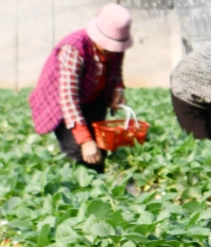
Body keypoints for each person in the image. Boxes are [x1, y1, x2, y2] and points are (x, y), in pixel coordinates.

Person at [29, 3, 133, 173]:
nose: (113, 51)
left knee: (99, 147)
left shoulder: (116, 46)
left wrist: (117, 89)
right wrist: (85, 140)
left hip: (94, 98)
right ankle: (78, 185)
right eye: (109, 47)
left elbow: (116, 70)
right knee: (78, 152)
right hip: (62, 101)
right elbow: (68, 98)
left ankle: (98, 185)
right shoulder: (74, 48)